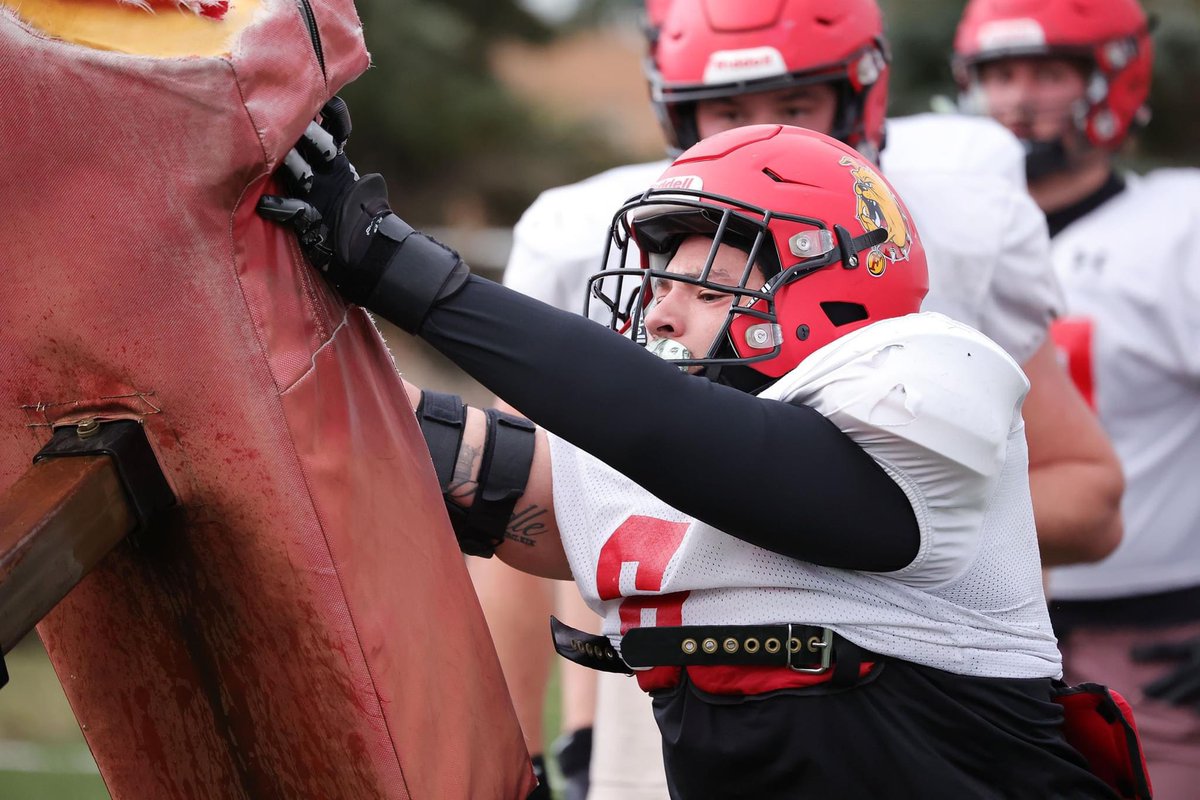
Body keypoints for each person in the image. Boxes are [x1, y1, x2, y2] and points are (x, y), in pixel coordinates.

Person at [259, 113, 1127, 798]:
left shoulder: (935, 372)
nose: (660, 316)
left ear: (825, 283)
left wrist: (408, 274)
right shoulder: (690, 450)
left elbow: (708, 446)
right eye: (656, 286)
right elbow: (471, 461)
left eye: (700, 284)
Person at [498, 2, 1127, 796]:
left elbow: (1091, 494)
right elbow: (534, 507)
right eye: (729, 110)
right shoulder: (585, 232)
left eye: (795, 105)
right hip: (669, 691)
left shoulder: (951, 221)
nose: (765, 134)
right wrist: (542, 741)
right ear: (675, 110)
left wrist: (863, 522)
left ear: (859, 95)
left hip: (909, 702)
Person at [954, 0, 1200, 795]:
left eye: (1050, 72)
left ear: (1113, 79)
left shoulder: (1177, 228)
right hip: (973, 632)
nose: (1020, 98)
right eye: (1000, 74)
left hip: (1155, 633)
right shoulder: (941, 235)